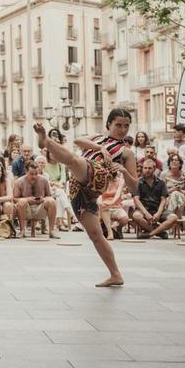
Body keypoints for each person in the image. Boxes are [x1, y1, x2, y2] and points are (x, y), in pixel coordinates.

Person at [33, 109, 136, 288]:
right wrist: (99, 148)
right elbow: (77, 140)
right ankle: (115, 274)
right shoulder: (97, 138)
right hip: (78, 188)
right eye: (118, 125)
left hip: (97, 177)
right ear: (108, 125)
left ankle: (46, 141)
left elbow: (135, 186)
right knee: (96, 234)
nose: (122, 129)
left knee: (74, 160)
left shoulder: (127, 152)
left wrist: (124, 171)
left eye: (126, 126)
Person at [132, 160, 178, 239]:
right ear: (142, 169)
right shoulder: (137, 182)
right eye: (145, 168)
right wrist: (146, 213)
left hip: (158, 209)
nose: (147, 170)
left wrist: (159, 213)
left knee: (174, 217)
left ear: (154, 169)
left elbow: (163, 200)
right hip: (144, 210)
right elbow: (136, 200)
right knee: (136, 216)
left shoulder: (161, 182)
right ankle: (159, 232)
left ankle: (150, 234)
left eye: (150, 168)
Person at [13, 161, 58, 238]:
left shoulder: (44, 180)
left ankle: (51, 231)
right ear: (26, 171)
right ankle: (22, 231)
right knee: (22, 201)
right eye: (31, 174)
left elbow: (49, 196)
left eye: (36, 174)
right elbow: (14, 199)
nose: (34, 176)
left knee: (52, 201)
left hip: (40, 208)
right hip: (26, 209)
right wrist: (27, 199)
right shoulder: (19, 181)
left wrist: (43, 199)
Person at [45, 149, 80, 231]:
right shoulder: (45, 164)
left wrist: (59, 184)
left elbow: (63, 179)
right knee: (61, 193)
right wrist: (55, 184)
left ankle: (60, 223)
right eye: (51, 153)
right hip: (49, 188)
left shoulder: (61, 165)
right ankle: (71, 214)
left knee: (59, 197)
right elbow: (45, 179)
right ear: (48, 154)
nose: (53, 155)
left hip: (58, 188)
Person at [160, 154, 185, 219]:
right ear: (169, 163)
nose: (174, 162)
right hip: (167, 199)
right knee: (174, 194)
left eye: (176, 160)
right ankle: (177, 220)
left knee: (176, 194)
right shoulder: (164, 174)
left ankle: (170, 218)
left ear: (180, 163)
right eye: (172, 160)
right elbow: (161, 192)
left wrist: (180, 191)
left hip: (182, 198)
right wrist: (173, 189)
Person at [98, 172, 128, 241]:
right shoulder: (102, 181)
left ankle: (118, 228)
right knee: (104, 207)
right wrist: (100, 203)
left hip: (116, 206)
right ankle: (110, 232)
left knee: (125, 218)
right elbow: (99, 195)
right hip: (104, 207)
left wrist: (111, 203)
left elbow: (117, 195)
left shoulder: (120, 181)